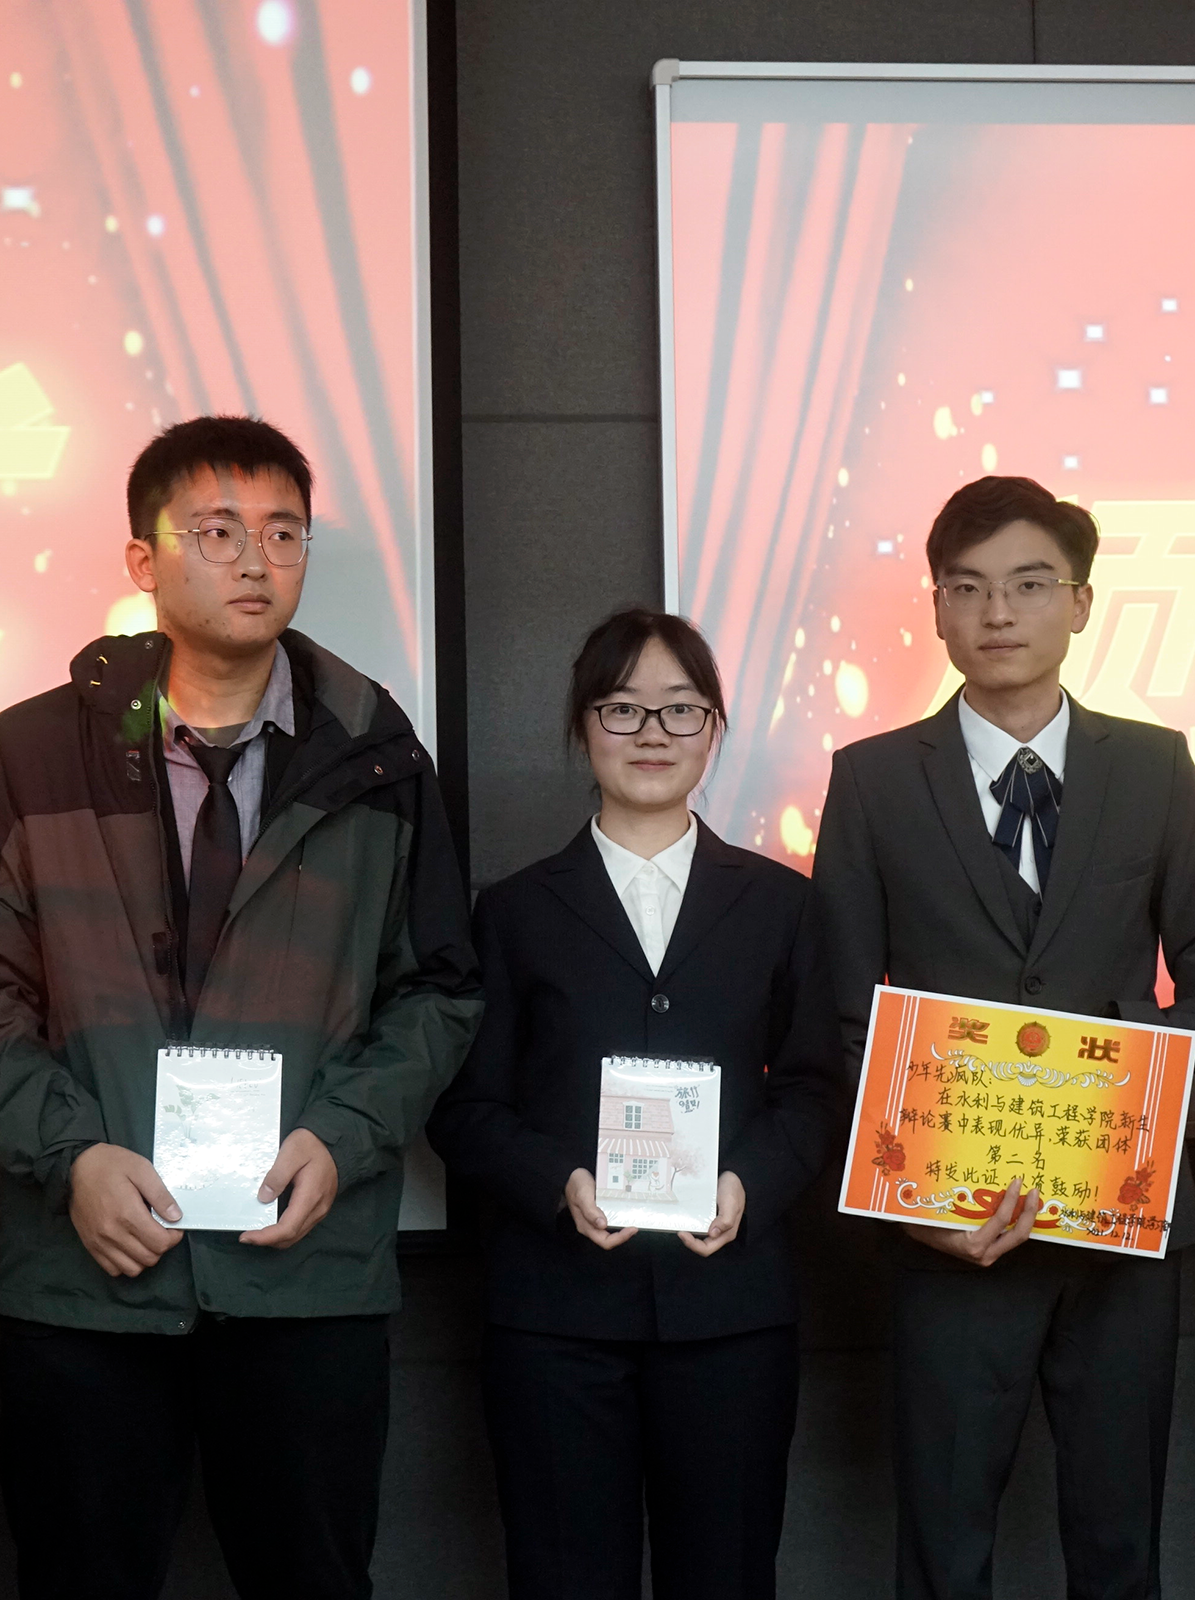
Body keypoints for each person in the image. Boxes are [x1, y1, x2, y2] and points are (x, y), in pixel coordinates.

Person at [0, 415, 482, 1599]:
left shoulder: (377, 755)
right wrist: (74, 1157)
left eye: (283, 533)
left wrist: (342, 1136)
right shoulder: (31, 754)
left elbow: (439, 991)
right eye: (218, 531)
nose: (255, 559)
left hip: (307, 1272)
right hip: (89, 1274)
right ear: (145, 559)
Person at [810, 475, 1195, 1600]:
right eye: (967, 588)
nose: (998, 612)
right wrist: (911, 1209)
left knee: (1120, 1548)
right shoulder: (871, 780)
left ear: (1082, 603)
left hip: (1121, 1226)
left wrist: (1114, 1061)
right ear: (937, 610)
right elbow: (839, 1018)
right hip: (948, 1234)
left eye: (1028, 584)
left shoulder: (1155, 767)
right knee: (943, 1549)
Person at [428, 609, 847, 1600]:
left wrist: (747, 1185)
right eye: (622, 708)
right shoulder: (514, 910)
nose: (652, 732)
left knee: (728, 1576)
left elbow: (817, 1088)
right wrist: (558, 1181)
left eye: (680, 709)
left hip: (730, 1312)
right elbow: (463, 1107)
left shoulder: (783, 904)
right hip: (555, 1316)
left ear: (714, 728)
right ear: (582, 726)